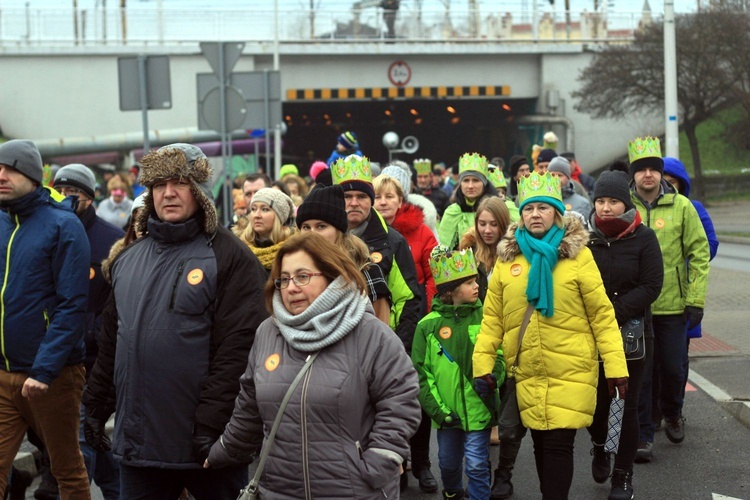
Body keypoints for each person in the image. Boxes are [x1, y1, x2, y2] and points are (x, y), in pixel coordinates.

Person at [82, 143, 269, 499]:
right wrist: (95, 405)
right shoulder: (128, 258)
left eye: (180, 182)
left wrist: (212, 427)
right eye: (158, 185)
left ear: (199, 191)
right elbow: (113, 342)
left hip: (209, 446)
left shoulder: (230, 256)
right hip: (140, 445)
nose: (168, 193)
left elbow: (239, 351)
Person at [204, 232, 422, 498]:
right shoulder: (267, 333)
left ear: (331, 276)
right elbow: (249, 406)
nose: (291, 287)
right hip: (279, 490)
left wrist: (379, 461)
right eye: (283, 279)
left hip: (354, 491)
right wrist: (222, 452)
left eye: (303, 276)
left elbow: (401, 402)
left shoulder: (371, 334)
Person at [473, 171, 629, 500]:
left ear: (557, 213)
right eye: (529, 209)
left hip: (570, 368)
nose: (535, 215)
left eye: (543, 208)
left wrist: (615, 367)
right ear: (521, 214)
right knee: (542, 445)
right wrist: (482, 364)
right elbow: (493, 319)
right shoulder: (507, 260)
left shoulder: (578, 256)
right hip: (527, 370)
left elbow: (602, 315)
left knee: (559, 444)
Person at [331, 154, 429, 491]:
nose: (354, 203)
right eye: (347, 196)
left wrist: (396, 346)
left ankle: (396, 473)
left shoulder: (392, 241)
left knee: (386, 419)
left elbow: (410, 298)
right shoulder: (325, 239)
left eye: (361, 197)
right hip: (334, 350)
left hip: (381, 349)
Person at [0, 140, 92, 499]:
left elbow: (73, 305)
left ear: (34, 176)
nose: (1, 176)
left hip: (52, 376)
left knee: (66, 468)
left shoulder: (63, 225)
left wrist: (44, 369)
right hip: (4, 372)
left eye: (11, 168)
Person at [626, 138, 710, 463]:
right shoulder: (626, 208)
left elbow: (699, 253)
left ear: (661, 173)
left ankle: (673, 412)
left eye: (654, 169)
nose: (648, 175)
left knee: (674, 369)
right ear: (633, 175)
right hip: (637, 307)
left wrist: (696, 299)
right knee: (642, 375)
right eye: (641, 169)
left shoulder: (682, 207)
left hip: (673, 307)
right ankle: (644, 434)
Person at [586, 171, 664, 500]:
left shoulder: (644, 238)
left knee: (626, 405)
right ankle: (600, 445)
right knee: (597, 406)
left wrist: (612, 313)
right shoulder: (585, 239)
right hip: (590, 336)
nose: (606, 208)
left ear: (625, 204)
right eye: (601, 201)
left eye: (613, 202)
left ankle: (623, 476)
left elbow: (651, 285)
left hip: (632, 335)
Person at [54, 164, 125, 500]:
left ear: (88, 196)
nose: (66, 199)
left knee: (82, 436)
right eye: (60, 192)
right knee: (87, 435)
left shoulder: (112, 239)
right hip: (55, 353)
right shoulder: (48, 231)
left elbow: (117, 298)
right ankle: (117, 490)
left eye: (73, 193)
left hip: (96, 357)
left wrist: (95, 331)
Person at [412, 245, 505, 500]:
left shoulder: (486, 317)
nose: (476, 286)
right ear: (450, 291)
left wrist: (495, 377)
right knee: (448, 463)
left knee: (476, 464)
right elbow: (421, 374)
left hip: (480, 407)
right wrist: (439, 411)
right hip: (447, 415)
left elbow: (499, 353)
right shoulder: (427, 326)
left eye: (476, 280)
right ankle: (452, 492)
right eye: (468, 282)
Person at [661, 157, 719, 412]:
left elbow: (709, 244)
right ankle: (653, 414)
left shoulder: (691, 207)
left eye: (670, 181)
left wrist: (681, 262)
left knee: (676, 361)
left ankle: (673, 409)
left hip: (680, 294)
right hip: (651, 295)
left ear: (680, 184)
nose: (665, 185)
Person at [296, 184, 392, 324]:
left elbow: (380, 333)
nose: (312, 234)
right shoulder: (291, 272)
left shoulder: (366, 272)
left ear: (339, 231)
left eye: (321, 226)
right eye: (306, 227)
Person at [375, 167, 438, 314]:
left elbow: (434, 276)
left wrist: (427, 312)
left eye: (389, 196)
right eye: (377, 197)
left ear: (400, 201)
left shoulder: (422, 232)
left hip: (416, 312)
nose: (383, 202)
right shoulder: (361, 235)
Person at [438, 152, 497, 249]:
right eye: (466, 180)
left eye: (475, 180)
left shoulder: (501, 208)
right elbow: (442, 249)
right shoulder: (452, 211)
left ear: (484, 183)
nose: (470, 186)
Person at [459, 197, 511, 304]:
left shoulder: (514, 253)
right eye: (482, 224)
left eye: (494, 224)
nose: (487, 230)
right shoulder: (468, 252)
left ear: (503, 224)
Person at [234, 187, 297, 273]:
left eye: (265, 209)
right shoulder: (239, 250)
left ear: (279, 217)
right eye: (253, 209)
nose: (257, 215)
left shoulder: (294, 250)